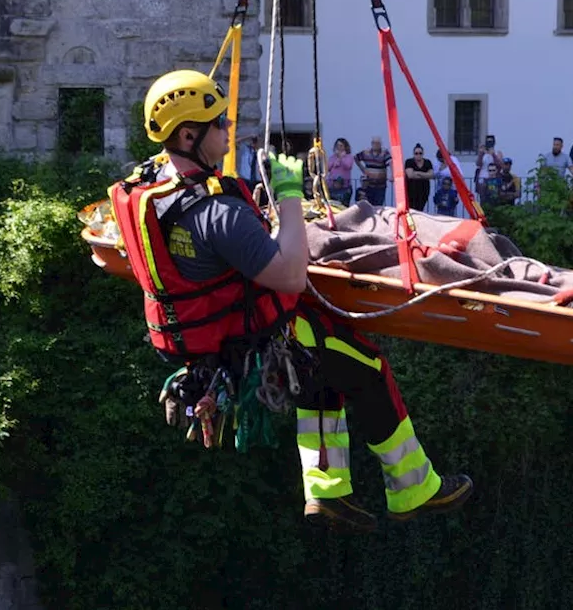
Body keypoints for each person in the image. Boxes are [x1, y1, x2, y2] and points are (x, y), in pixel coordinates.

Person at [108, 70, 473, 534]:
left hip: (202, 341)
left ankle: (327, 491)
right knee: (367, 367)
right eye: (219, 123)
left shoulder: (150, 192)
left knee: (323, 373)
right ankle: (413, 489)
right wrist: (288, 197)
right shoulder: (218, 211)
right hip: (253, 338)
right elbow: (291, 276)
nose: (227, 130)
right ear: (188, 134)